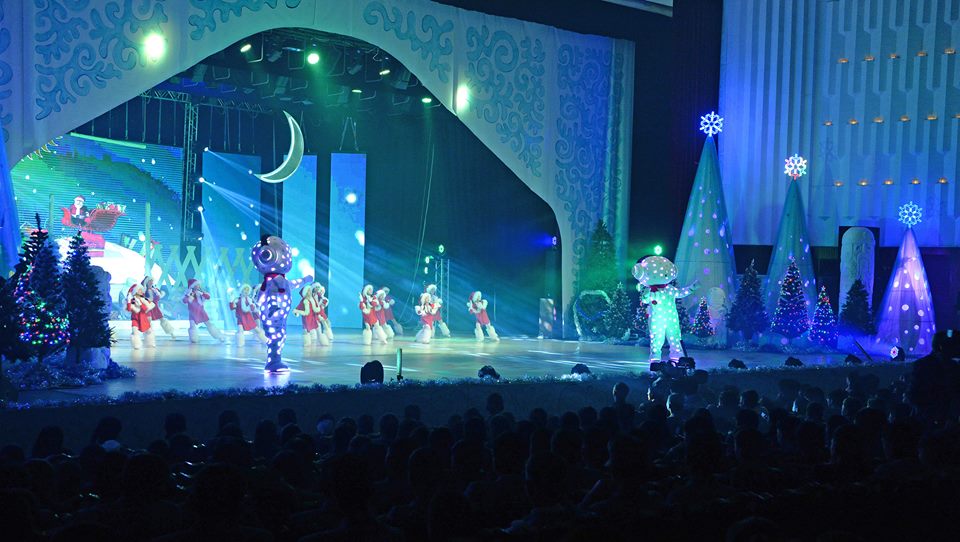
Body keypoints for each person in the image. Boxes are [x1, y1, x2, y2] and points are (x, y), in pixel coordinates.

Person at [181, 279, 225, 344]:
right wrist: (189, 295)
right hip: (192, 312)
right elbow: (184, 300)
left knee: (208, 324)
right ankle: (194, 339)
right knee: (192, 326)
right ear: (192, 286)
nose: (198, 286)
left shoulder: (201, 292)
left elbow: (208, 297)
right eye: (196, 285)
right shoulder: (189, 293)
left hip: (201, 311)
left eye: (198, 285)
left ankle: (219, 336)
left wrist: (201, 293)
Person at [126, 283, 156, 350]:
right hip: (135, 318)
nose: (141, 291)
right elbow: (129, 309)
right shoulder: (132, 300)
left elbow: (146, 309)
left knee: (149, 331)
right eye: (139, 290)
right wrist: (128, 301)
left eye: (141, 290)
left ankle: (150, 343)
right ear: (135, 291)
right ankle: (136, 345)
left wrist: (140, 304)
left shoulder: (144, 299)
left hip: (143, 318)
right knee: (135, 331)